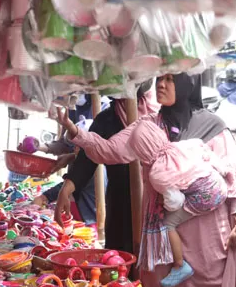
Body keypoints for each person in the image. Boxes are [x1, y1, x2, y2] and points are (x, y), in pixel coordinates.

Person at [56, 73, 236, 287]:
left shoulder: (212, 126)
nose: (162, 84)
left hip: (209, 230)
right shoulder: (145, 126)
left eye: (171, 79)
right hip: (165, 235)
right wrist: (75, 131)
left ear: (189, 84)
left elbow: (233, 175)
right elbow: (107, 152)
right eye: (160, 79)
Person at [54, 81, 159, 253]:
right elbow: (87, 160)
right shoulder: (106, 119)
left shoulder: (159, 115)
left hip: (155, 205)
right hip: (120, 205)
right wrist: (65, 190)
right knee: (120, 261)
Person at [127, 120, 231, 287]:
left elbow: (176, 202)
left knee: (169, 223)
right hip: (219, 184)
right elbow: (202, 148)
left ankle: (179, 265)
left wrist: (164, 202)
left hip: (207, 197)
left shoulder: (157, 173)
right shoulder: (181, 146)